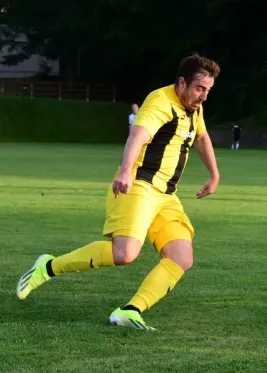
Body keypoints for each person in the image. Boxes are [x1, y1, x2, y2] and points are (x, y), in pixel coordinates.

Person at [16, 53, 222, 331]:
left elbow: (201, 136)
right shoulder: (161, 101)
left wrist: (214, 173)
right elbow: (138, 133)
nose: (204, 96)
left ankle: (130, 311)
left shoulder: (194, 107)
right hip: (140, 186)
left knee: (181, 258)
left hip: (165, 195)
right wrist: (125, 171)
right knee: (124, 254)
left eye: (208, 90)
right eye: (200, 88)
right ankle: (48, 267)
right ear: (182, 82)